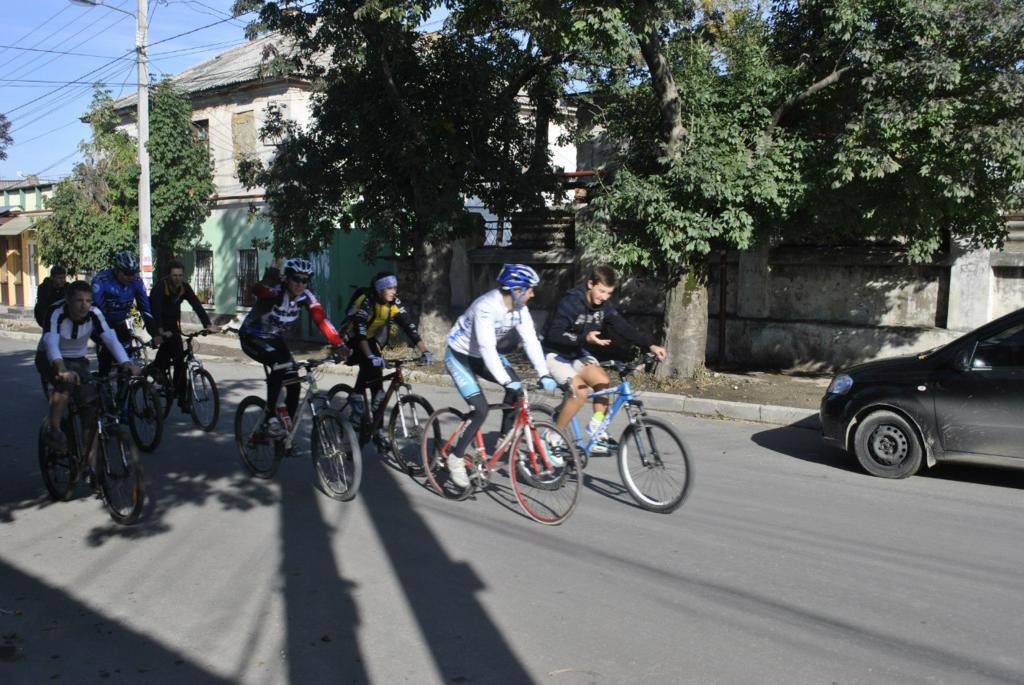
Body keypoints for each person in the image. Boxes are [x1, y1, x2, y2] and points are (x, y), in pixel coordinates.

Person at [443, 263, 558, 487]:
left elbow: (531, 340)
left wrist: (544, 373)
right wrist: (506, 381)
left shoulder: (519, 309)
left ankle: (504, 440)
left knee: (518, 391)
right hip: (460, 356)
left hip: (484, 356)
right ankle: (455, 458)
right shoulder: (486, 307)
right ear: (516, 290)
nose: (533, 293)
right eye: (530, 289)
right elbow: (487, 348)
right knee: (481, 409)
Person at [542, 264, 667, 452]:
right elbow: (554, 334)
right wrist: (584, 338)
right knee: (580, 393)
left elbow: (623, 327)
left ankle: (596, 429)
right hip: (554, 354)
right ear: (590, 284)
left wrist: (650, 344)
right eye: (601, 291)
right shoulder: (571, 302)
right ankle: (552, 436)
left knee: (603, 381)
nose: (604, 297)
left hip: (576, 353)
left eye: (609, 293)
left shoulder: (604, 306)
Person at [238, 257, 347, 438]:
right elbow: (257, 289)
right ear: (287, 278)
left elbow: (322, 320)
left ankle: (284, 430)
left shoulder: (306, 296)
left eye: (304, 280)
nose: (300, 284)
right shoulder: (275, 290)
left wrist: (339, 344)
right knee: (278, 363)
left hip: (274, 338)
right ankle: (270, 418)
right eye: (296, 279)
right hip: (252, 337)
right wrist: (272, 274)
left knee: (294, 382)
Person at [38, 280, 141, 460]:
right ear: (68, 300)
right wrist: (61, 368)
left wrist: (127, 363)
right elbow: (51, 342)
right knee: (64, 384)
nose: (84, 305)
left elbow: (109, 338)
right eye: (79, 300)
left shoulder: (94, 313)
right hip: (50, 357)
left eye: (88, 300)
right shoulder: (56, 312)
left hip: (78, 360)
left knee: (90, 411)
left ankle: (91, 467)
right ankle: (53, 429)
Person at [343, 271, 432, 443]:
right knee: (371, 364)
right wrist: (370, 356)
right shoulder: (367, 300)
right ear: (380, 289)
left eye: (395, 288)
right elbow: (360, 332)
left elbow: (408, 326)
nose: (394, 291)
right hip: (354, 340)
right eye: (389, 288)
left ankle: (378, 431)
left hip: (370, 340)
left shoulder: (393, 303)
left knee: (378, 393)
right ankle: (356, 396)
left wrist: (425, 350)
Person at [150, 259, 220, 413]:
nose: (177, 278)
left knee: (179, 360)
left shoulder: (184, 288)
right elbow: (154, 310)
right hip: (157, 323)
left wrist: (207, 325)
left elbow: (196, 304)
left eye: (180, 275)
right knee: (170, 348)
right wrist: (159, 331)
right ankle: (159, 374)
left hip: (173, 326)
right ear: (169, 275)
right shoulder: (161, 288)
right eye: (174, 275)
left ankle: (179, 394)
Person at [91, 251, 162, 376]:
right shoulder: (101, 281)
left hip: (119, 322)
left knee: (127, 354)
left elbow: (145, 309)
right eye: (127, 274)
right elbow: (97, 312)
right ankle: (103, 380)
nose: (130, 277)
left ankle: (123, 386)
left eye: (133, 273)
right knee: (110, 348)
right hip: (100, 323)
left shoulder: (136, 282)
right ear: (117, 270)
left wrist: (154, 333)